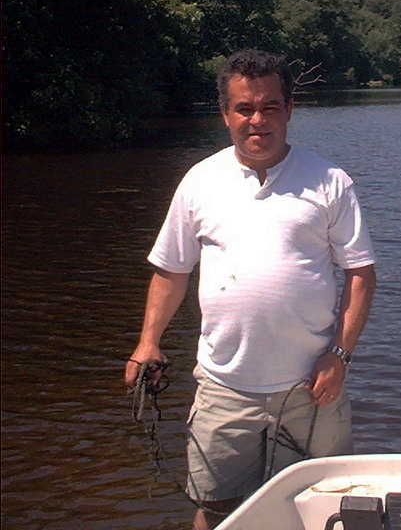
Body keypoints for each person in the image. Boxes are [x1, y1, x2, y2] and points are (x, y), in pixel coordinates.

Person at [124, 49, 377, 529]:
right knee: (218, 509)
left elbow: (361, 274)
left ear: (289, 110)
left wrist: (339, 357)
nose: (257, 120)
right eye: (244, 108)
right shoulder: (199, 181)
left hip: (312, 387)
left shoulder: (330, 182)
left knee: (321, 503)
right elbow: (171, 270)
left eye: (270, 106)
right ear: (225, 114)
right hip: (225, 386)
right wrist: (148, 342)